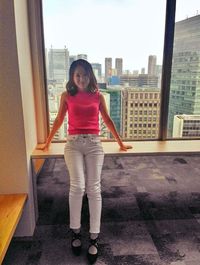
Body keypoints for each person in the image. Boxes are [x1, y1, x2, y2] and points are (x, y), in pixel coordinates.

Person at [38, 59, 132, 263]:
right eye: (77, 74)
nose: (81, 78)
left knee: (94, 189)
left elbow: (107, 120)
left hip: (94, 144)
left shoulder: (98, 96)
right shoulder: (66, 96)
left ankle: (94, 237)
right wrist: (47, 142)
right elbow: (59, 120)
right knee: (78, 187)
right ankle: (76, 232)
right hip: (72, 144)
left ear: (91, 75)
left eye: (85, 74)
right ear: (72, 76)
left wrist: (120, 142)